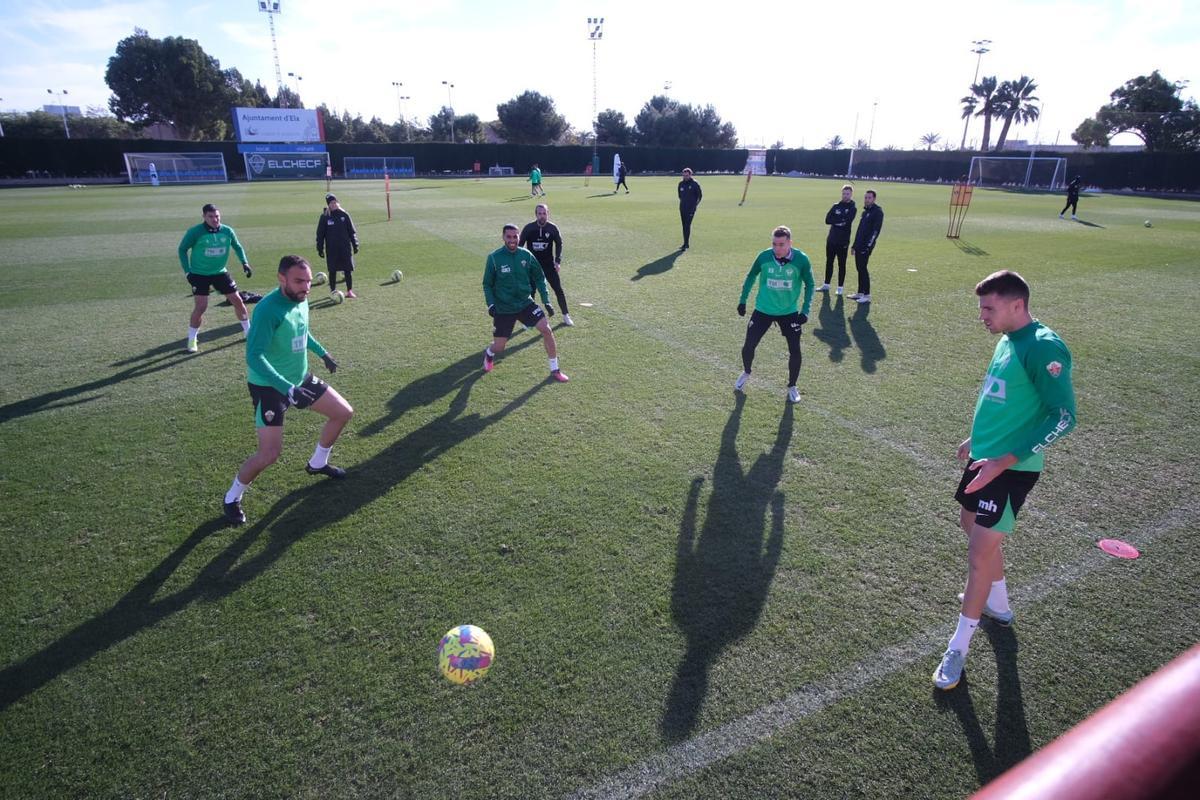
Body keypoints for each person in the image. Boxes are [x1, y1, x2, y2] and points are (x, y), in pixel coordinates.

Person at [933, 270, 1077, 691]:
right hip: (984, 458)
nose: (982, 315)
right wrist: (976, 440)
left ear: (1017, 304)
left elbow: (1063, 416)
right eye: (981, 308)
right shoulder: (1006, 337)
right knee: (969, 526)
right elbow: (999, 395)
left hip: (1011, 467)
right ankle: (998, 604)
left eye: (988, 307)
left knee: (979, 553)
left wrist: (1004, 460)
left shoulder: (1044, 347)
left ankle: (958, 647)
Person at [222, 255, 354, 526]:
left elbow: (302, 331)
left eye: (308, 281)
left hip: (300, 378)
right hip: (270, 387)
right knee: (269, 455)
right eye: (299, 281)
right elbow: (254, 356)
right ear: (282, 279)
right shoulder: (267, 309)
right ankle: (232, 497)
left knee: (342, 412)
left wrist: (322, 353)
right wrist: (287, 388)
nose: (306, 287)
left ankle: (317, 463)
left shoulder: (301, 298)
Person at [734, 226, 815, 403]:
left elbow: (810, 284)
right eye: (774, 244)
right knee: (748, 345)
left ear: (789, 243)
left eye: (781, 244)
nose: (777, 248)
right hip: (763, 310)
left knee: (795, 349)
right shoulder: (764, 256)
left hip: (789, 312)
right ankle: (746, 371)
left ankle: (792, 386)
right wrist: (742, 300)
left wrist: (805, 311)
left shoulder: (801, 260)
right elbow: (751, 276)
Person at [482, 224, 569, 382]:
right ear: (503, 237)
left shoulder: (526, 255)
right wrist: (491, 304)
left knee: (546, 330)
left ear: (519, 237)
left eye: (515, 236)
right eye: (509, 237)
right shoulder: (494, 258)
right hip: (504, 308)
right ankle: (489, 353)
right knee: (500, 347)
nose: (512, 240)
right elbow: (487, 284)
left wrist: (546, 300)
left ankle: (555, 369)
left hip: (525, 303)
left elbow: (539, 276)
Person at [177, 203, 252, 353]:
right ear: (204, 217)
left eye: (217, 216)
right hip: (199, 274)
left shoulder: (227, 231)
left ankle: (248, 332)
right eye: (211, 216)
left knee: (238, 301)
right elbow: (182, 249)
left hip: (220, 272)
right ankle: (192, 339)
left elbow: (237, 246)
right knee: (201, 307)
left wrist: (245, 263)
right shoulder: (195, 232)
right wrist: (187, 272)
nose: (215, 219)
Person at [519, 203, 573, 326]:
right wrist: (521, 263)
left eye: (544, 213)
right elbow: (519, 246)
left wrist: (557, 261)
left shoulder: (552, 228)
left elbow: (559, 243)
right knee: (531, 292)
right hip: (532, 266)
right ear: (536, 215)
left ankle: (566, 315)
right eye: (539, 214)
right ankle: (528, 320)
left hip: (549, 265)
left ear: (548, 214)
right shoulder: (529, 228)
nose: (542, 216)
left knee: (558, 289)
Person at [315, 194, 360, 298]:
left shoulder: (344, 215)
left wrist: (355, 244)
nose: (334, 204)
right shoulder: (325, 217)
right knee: (332, 270)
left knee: (348, 270)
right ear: (328, 205)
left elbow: (351, 232)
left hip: (345, 247)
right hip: (332, 249)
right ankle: (333, 291)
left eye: (335, 202)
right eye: (331, 203)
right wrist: (320, 248)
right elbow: (320, 234)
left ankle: (349, 291)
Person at [817, 184, 857, 295]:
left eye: (847, 194)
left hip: (843, 241)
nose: (845, 196)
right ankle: (826, 284)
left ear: (851, 194)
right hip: (831, 240)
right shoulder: (836, 206)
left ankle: (840, 287)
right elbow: (827, 220)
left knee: (841, 264)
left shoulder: (853, 208)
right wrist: (839, 221)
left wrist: (837, 220)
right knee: (829, 262)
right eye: (844, 193)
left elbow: (847, 222)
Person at [849, 189, 884, 304]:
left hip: (866, 247)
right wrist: (854, 245)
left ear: (874, 199)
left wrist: (867, 247)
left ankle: (867, 295)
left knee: (863, 268)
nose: (867, 199)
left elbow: (875, 232)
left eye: (869, 198)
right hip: (859, 245)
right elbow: (859, 230)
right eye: (865, 197)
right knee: (859, 268)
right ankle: (860, 292)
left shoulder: (878, 212)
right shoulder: (865, 212)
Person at [677, 168, 703, 250]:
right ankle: (685, 243)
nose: (685, 177)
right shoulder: (681, 184)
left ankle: (686, 244)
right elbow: (680, 196)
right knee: (684, 225)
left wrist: (694, 206)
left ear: (690, 174)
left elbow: (700, 196)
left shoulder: (695, 184)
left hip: (691, 209)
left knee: (687, 225)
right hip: (682, 208)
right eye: (684, 175)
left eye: (687, 175)